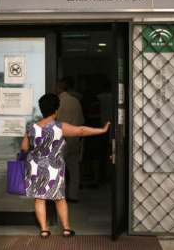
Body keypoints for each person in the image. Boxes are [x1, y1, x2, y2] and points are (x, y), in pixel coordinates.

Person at [20, 93, 110, 239]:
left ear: (42, 110)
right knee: (59, 198)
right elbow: (81, 130)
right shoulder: (59, 127)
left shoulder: (31, 127)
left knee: (39, 199)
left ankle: (44, 230)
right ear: (56, 110)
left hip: (35, 166)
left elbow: (24, 147)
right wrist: (102, 130)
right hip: (54, 167)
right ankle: (66, 229)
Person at [56, 79, 84, 203]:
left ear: (59, 88)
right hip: (75, 138)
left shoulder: (58, 102)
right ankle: (73, 196)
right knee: (74, 169)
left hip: (62, 138)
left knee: (57, 168)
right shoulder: (76, 101)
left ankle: (58, 195)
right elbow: (81, 121)